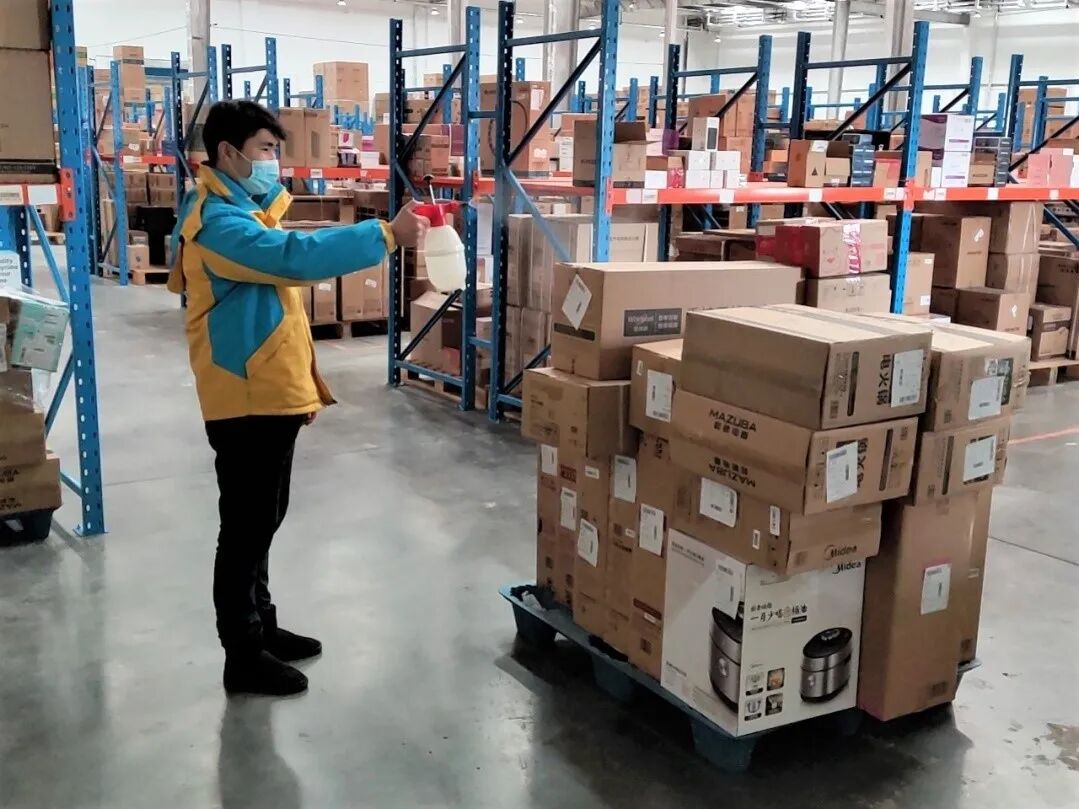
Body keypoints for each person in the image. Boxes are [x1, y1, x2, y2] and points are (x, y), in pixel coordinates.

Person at [167, 100, 428, 696]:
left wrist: (300, 389)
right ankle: (242, 654)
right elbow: (294, 260)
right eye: (265, 149)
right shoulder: (218, 223)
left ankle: (263, 627)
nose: (273, 162)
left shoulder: (244, 213)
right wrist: (386, 235)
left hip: (266, 391)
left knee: (264, 518)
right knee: (245, 528)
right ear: (227, 152)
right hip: (244, 397)